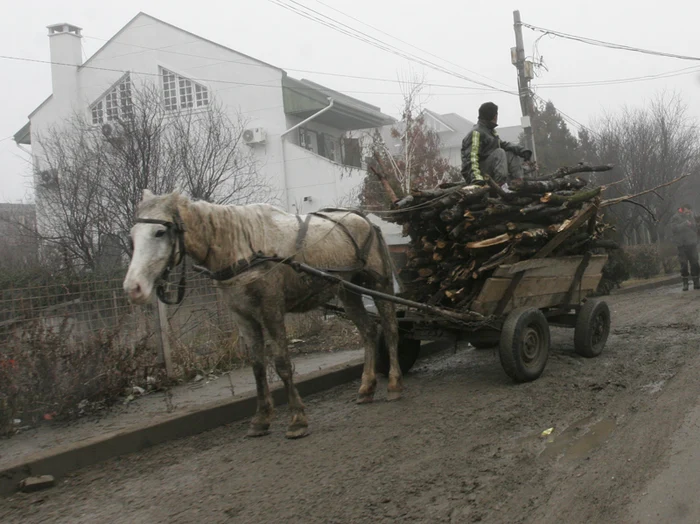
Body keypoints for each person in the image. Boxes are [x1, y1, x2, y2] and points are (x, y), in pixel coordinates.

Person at [461, 102, 533, 186]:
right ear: (494, 116)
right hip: (479, 176)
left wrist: (522, 151)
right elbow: (470, 159)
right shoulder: (476, 133)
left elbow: (504, 145)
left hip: (488, 172)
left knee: (510, 153)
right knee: (500, 152)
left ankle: (518, 183)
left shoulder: (489, 131)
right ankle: (500, 185)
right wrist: (476, 179)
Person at [670, 203, 699, 291]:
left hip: (692, 243)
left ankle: (696, 282)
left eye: (690, 211)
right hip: (681, 245)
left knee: (695, 263)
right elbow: (674, 229)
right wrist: (684, 224)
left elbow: (696, 227)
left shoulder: (692, 216)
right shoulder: (675, 217)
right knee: (684, 264)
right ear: (683, 209)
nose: (689, 212)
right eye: (687, 211)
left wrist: (692, 225)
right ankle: (685, 283)